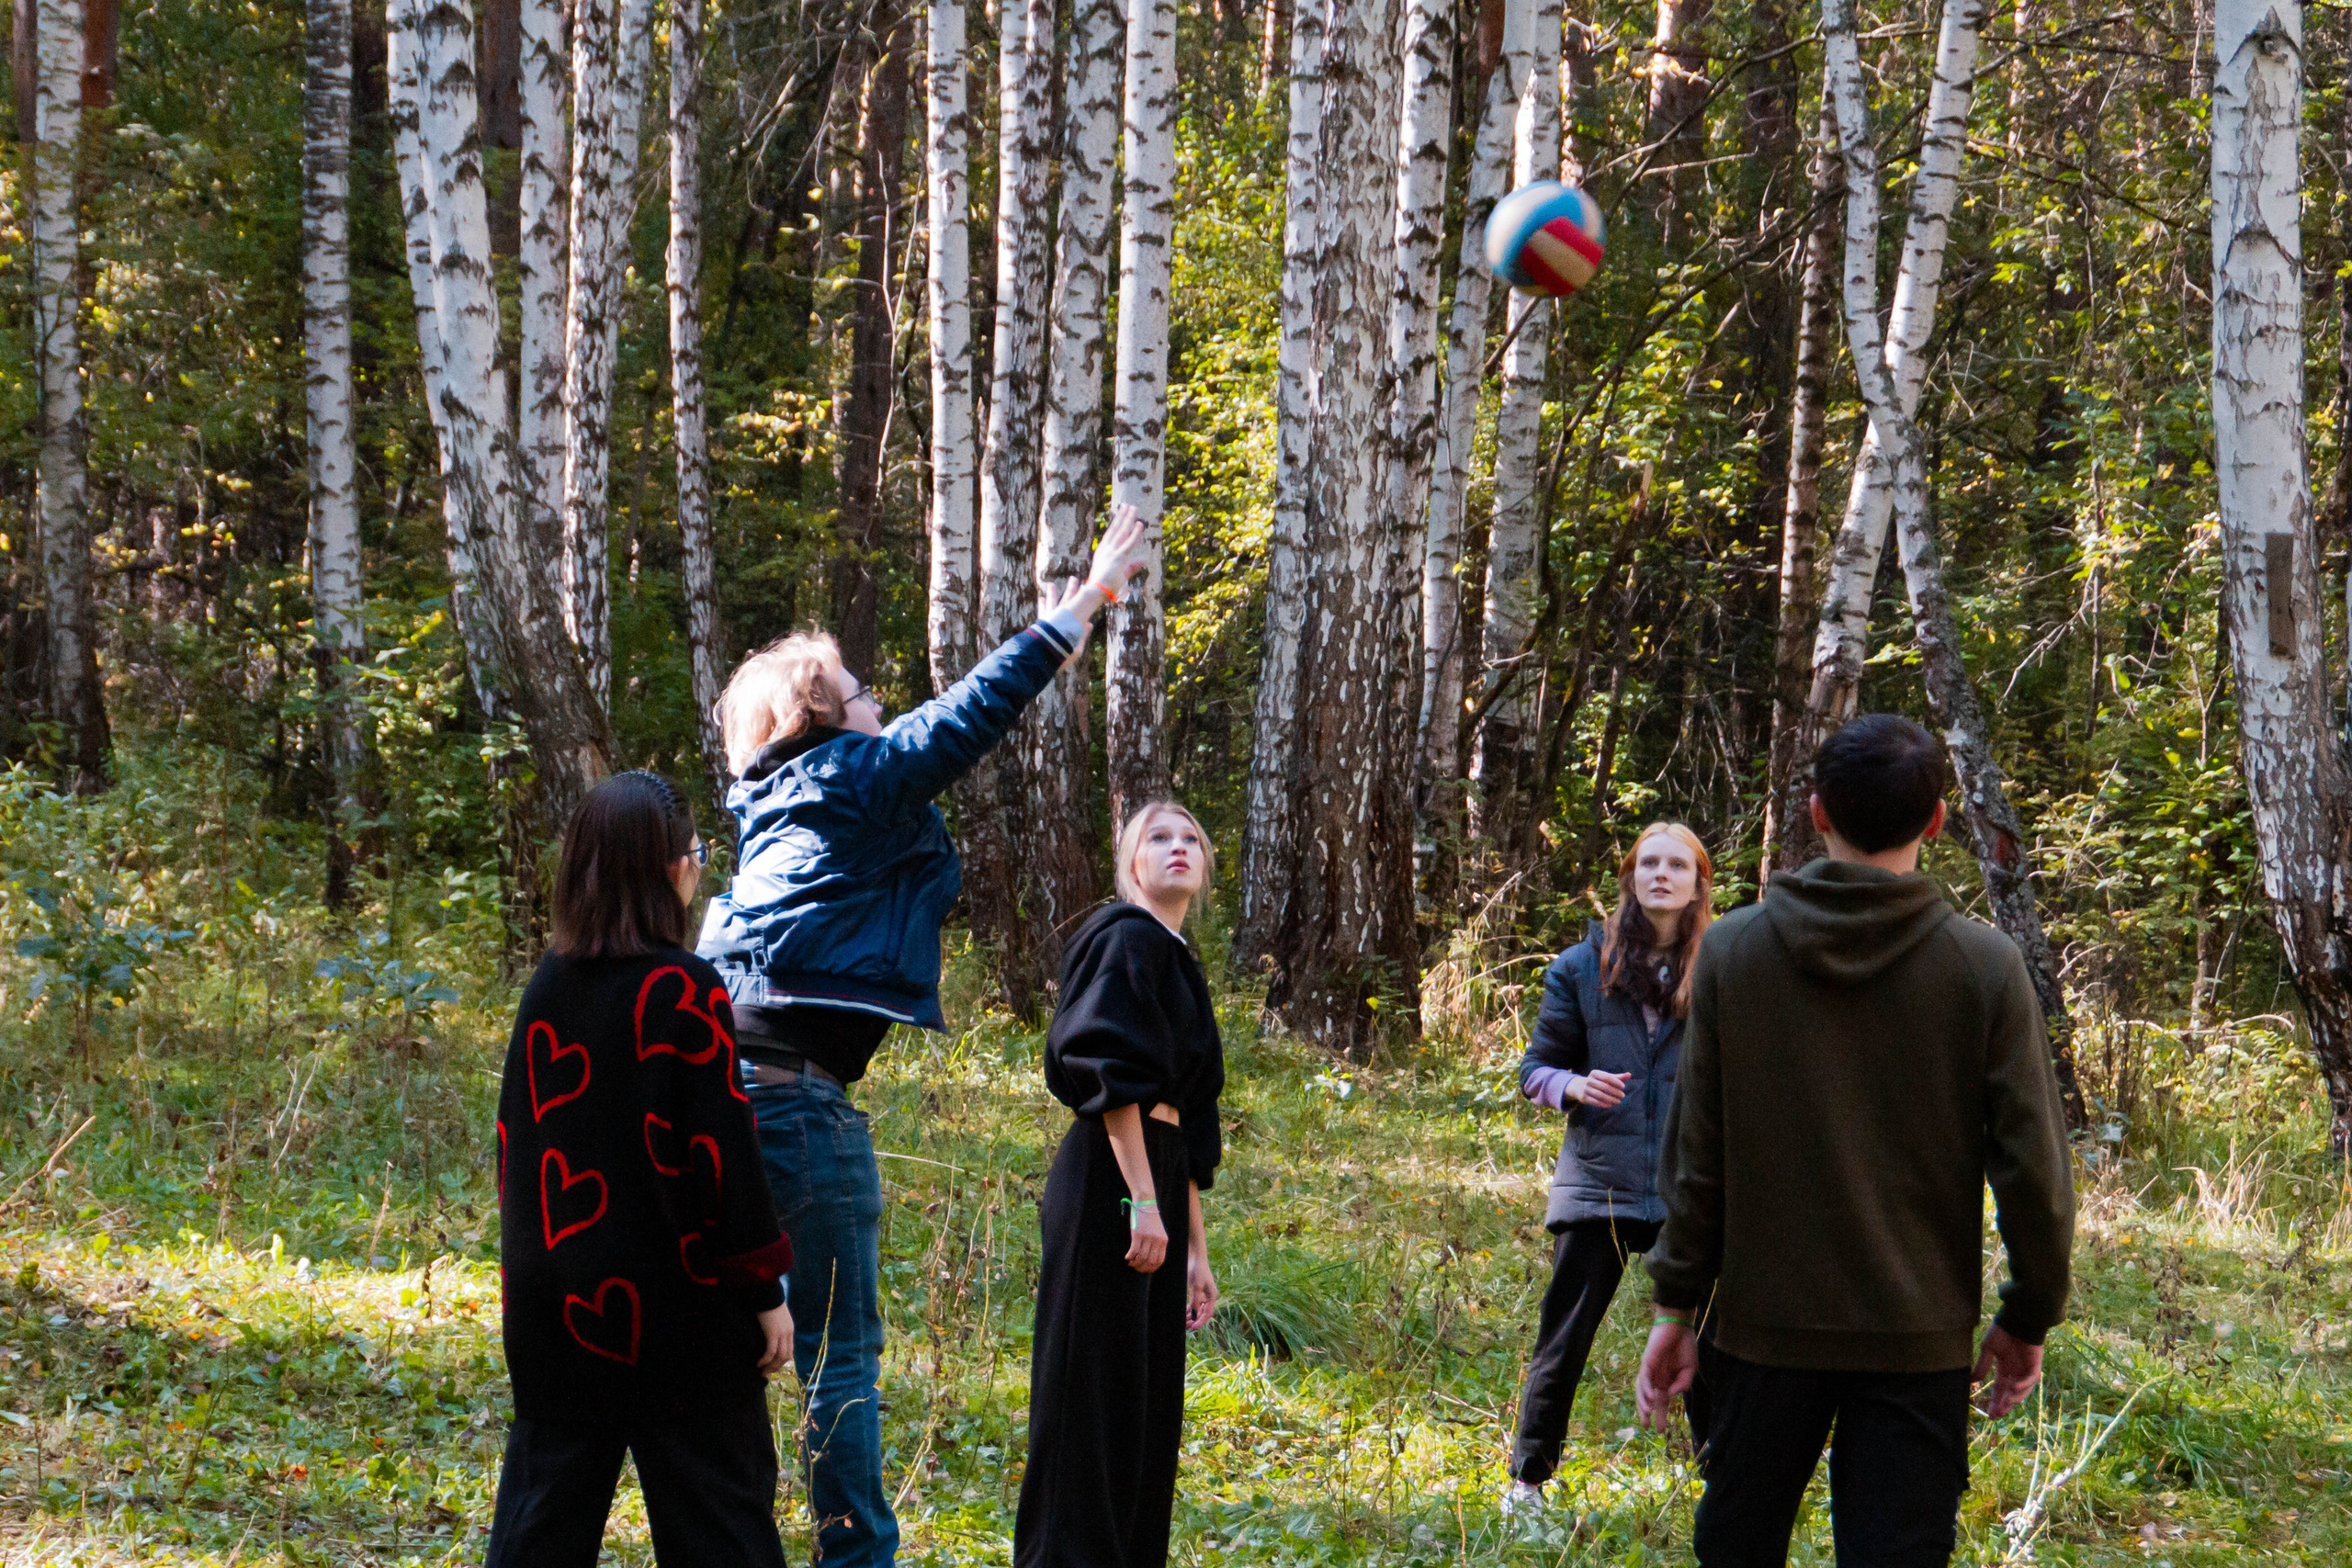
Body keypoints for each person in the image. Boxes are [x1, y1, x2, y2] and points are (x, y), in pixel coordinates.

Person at [696, 509, 1149, 1568]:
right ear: (818, 717)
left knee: (734, 1345)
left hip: (727, 1084)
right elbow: (963, 719)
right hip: (795, 1102)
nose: (879, 704)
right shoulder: (845, 779)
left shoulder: (771, 799)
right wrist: (1075, 610)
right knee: (835, 1355)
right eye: (860, 693)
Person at [1634, 714, 2076, 1566]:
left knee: (1737, 1544)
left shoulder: (1732, 948)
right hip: (1916, 1341)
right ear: (1938, 820)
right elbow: (2033, 1169)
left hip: (1761, 1332)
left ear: (1815, 813)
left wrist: (1675, 1303)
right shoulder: (1983, 966)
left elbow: (1698, 1152)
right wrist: (2028, 1317)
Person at [488, 772, 796, 1568]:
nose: (699, 869)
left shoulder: (546, 989)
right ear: (663, 870)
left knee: (539, 1535)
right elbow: (722, 1157)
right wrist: (763, 1290)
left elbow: (517, 1158)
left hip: (560, 1312)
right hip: (681, 1322)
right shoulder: (684, 987)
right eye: (693, 853)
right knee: (723, 1534)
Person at [1015, 802, 1225, 1568]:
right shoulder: (1125, 938)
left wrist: (1196, 1247)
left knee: (1144, 1409)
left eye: (1190, 838)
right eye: (1157, 838)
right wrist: (1139, 1197)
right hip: (1111, 1173)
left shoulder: (1175, 956)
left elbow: (1190, 1121)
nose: (1177, 848)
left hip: (1159, 1174)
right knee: (1087, 1404)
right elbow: (1107, 1076)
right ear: (1130, 862)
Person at [1502, 822, 1717, 1515]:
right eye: (1648, 862)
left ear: (1696, 882)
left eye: (1676, 864)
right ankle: (1527, 1486)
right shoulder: (1580, 966)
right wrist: (1571, 1085)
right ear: (1629, 875)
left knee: (1715, 1343)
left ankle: (1724, 1484)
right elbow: (1534, 1068)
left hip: (1691, 1187)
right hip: (1600, 1179)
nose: (1661, 873)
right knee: (1563, 1339)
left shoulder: (1721, 968)